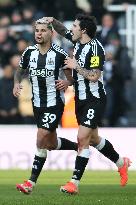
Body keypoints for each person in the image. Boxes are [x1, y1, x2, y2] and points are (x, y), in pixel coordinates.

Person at [43, 14, 131, 194]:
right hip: (80, 100)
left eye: (74, 26)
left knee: (82, 138)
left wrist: (76, 66)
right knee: (94, 139)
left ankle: (74, 183)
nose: (71, 29)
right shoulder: (77, 42)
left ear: (83, 30)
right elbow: (62, 30)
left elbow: (94, 76)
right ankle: (121, 163)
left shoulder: (96, 48)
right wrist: (52, 21)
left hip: (95, 99)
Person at [13, 19, 78, 194]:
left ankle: (30, 182)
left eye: (42, 30)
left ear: (51, 33)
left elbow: (70, 78)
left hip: (54, 103)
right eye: (37, 30)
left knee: (41, 138)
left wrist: (66, 82)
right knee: (49, 143)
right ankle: (77, 146)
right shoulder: (29, 52)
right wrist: (16, 83)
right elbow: (19, 70)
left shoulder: (59, 53)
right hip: (37, 103)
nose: (38, 34)